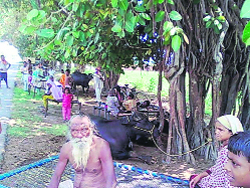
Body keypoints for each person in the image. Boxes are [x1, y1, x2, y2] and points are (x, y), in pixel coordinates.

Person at [48, 115, 117, 188]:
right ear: (70, 131)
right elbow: (56, 176)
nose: (80, 135)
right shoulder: (67, 148)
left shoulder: (101, 146)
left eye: (84, 130)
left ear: (91, 129)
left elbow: (111, 181)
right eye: (75, 131)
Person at [189, 115, 244, 188]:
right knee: (195, 177)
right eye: (216, 129)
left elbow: (229, 177)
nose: (216, 132)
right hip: (217, 180)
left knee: (193, 179)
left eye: (220, 130)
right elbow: (216, 168)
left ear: (231, 132)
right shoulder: (228, 148)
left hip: (218, 184)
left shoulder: (228, 151)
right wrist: (201, 175)